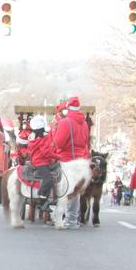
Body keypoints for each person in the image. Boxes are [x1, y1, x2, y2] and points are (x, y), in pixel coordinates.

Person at [51, 96, 90, 229]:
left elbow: (59, 142)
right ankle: (72, 220)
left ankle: (59, 216)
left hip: (66, 159)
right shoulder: (84, 123)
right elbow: (85, 142)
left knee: (62, 189)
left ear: (67, 109)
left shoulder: (65, 122)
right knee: (75, 191)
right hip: (80, 160)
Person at [26, 116, 58, 204]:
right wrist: (58, 157)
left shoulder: (32, 139)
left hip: (35, 161)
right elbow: (46, 153)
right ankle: (42, 197)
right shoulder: (44, 139)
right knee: (48, 179)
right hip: (41, 163)